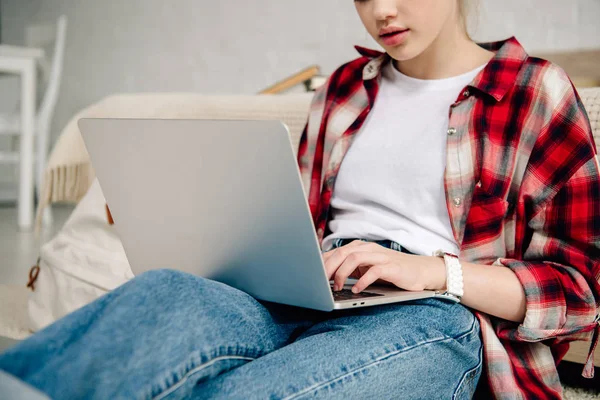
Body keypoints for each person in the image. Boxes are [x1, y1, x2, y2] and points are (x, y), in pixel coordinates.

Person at [2, 0, 599, 398]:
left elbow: (580, 287)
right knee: (162, 294)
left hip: (433, 313)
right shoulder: (344, 88)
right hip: (311, 286)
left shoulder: (535, 90)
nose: (380, 11)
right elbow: (297, 223)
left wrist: (431, 272)